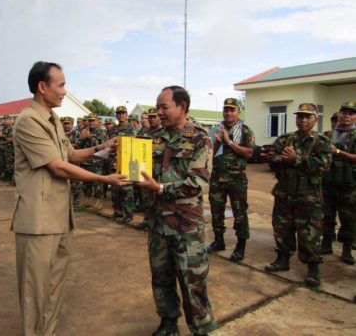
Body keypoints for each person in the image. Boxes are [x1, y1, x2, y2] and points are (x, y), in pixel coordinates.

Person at [12, 61, 129, 336]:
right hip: (38, 221)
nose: (65, 91)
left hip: (59, 218)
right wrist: (104, 180)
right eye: (61, 85)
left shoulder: (52, 120)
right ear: (42, 87)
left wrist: (102, 146)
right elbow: (58, 166)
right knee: (35, 293)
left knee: (53, 288)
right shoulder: (28, 121)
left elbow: (71, 154)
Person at [136, 86, 217, 336]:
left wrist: (159, 187)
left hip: (186, 227)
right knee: (161, 278)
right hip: (158, 223)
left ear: (182, 107)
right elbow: (139, 169)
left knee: (193, 282)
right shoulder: (154, 137)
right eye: (157, 107)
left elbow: (198, 184)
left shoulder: (200, 138)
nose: (158, 112)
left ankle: (202, 328)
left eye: (164, 107)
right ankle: (168, 322)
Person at [265, 103, 331, 287]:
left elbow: (324, 165)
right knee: (282, 229)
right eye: (300, 116)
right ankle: (282, 260)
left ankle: (313, 269)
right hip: (284, 195)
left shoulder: (322, 142)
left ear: (315, 119)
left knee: (309, 235)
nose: (303, 120)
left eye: (307, 117)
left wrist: (298, 159)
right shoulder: (285, 139)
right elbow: (271, 158)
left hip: (308, 198)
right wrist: (283, 159)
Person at [207, 98, 254, 261]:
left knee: (239, 213)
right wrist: (218, 144)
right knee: (216, 211)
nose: (228, 113)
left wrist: (229, 141)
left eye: (232, 110)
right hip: (217, 178)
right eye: (226, 110)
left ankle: (240, 246)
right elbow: (208, 157)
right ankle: (218, 240)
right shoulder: (215, 130)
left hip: (237, 179)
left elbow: (249, 153)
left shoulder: (245, 131)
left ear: (238, 112)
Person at [320, 101, 355, 264]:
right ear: (339, 114)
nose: (347, 115)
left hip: (349, 185)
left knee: (348, 219)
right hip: (328, 182)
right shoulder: (328, 134)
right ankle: (326, 244)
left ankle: (347, 249)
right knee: (327, 216)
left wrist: (339, 152)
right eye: (344, 112)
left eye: (351, 113)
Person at [108, 106, 136, 222]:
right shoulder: (113, 129)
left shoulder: (132, 129)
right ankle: (118, 211)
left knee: (127, 189)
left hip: (127, 162)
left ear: (126, 115)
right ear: (116, 115)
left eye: (123, 113)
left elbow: (134, 145)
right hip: (114, 162)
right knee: (115, 189)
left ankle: (129, 214)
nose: (121, 115)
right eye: (118, 113)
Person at [80, 114, 107, 210]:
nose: (91, 122)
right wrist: (83, 138)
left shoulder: (101, 131)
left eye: (93, 121)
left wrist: (89, 137)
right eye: (89, 121)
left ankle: (98, 201)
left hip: (96, 161)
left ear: (97, 122)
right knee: (86, 182)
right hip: (86, 160)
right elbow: (80, 145)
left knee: (97, 182)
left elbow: (101, 145)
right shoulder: (85, 131)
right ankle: (88, 200)